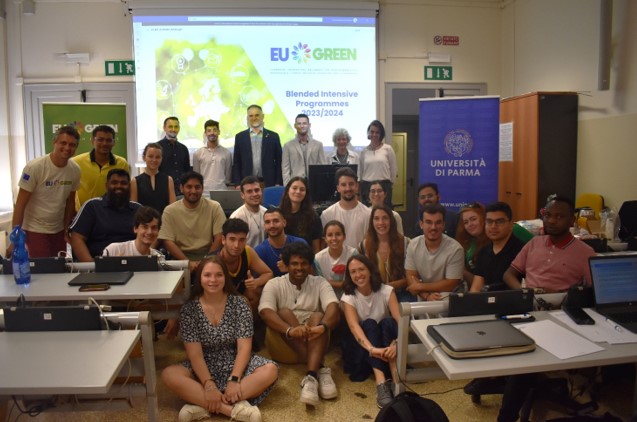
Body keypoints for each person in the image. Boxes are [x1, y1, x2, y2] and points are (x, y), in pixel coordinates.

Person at [161, 256, 278, 422]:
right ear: (200, 278)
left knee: (270, 370)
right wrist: (209, 385)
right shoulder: (189, 309)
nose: (213, 280)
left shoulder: (240, 303)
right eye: (207, 275)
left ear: (225, 277)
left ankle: (202, 404)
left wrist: (235, 380)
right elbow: (195, 355)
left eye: (218, 275)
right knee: (169, 374)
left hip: (235, 360)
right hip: (204, 364)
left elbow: (244, 348)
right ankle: (230, 410)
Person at [258, 242, 339, 406]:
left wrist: (322, 327)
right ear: (286, 265)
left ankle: (311, 376)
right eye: (294, 264)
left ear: (310, 265)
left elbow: (333, 307)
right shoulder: (274, 284)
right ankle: (320, 367)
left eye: (304, 263)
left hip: (314, 336)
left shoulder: (320, 282)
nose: (299, 268)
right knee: (284, 313)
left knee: (318, 316)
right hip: (284, 343)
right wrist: (291, 330)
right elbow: (265, 312)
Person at [8, 125, 80, 258]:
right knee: (44, 268)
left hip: (58, 230)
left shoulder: (75, 170)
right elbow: (20, 205)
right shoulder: (34, 167)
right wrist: (15, 237)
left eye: (72, 145)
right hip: (34, 229)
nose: (67, 148)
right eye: (63, 143)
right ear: (54, 142)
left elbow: (70, 203)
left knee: (58, 267)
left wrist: (66, 230)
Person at [341, 255, 400, 408]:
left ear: (370, 270)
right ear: (349, 275)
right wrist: (372, 349)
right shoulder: (348, 296)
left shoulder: (387, 290)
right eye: (353, 272)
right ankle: (381, 383)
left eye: (361, 269)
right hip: (362, 351)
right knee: (369, 324)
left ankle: (396, 380)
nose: (358, 275)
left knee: (387, 322)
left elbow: (400, 322)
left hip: (387, 350)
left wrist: (397, 344)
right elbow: (354, 327)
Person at [503, 196, 595, 293]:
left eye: (559, 217)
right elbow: (509, 275)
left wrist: (562, 296)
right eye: (547, 215)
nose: (551, 221)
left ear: (572, 220)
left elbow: (597, 290)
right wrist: (523, 293)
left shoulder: (585, 252)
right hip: (529, 299)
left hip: (561, 301)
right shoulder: (534, 243)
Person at [159, 171, 226, 272]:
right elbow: (167, 241)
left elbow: (220, 237)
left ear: (202, 189)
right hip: (179, 261)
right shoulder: (170, 210)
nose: (193, 191)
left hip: (209, 258)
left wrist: (206, 261)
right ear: (181, 188)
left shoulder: (214, 207)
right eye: (189, 187)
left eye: (197, 187)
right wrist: (187, 263)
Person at [69, 169, 141, 262]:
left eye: (123, 183)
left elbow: (150, 235)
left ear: (129, 186)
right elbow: (76, 238)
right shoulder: (92, 206)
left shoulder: (138, 209)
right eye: (114, 182)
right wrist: (92, 265)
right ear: (106, 185)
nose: (119, 186)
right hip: (98, 264)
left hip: (133, 263)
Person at [405, 203, 464, 300]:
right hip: (423, 295)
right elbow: (411, 277)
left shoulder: (456, 249)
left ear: (443, 225)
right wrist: (426, 296)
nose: (433, 227)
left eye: (438, 222)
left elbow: (451, 284)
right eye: (428, 222)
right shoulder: (413, 245)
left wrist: (420, 286)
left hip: (448, 296)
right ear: (421, 224)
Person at [217, 218, 273, 315]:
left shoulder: (247, 252)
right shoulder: (215, 260)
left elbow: (268, 273)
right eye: (232, 239)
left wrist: (256, 282)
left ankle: (253, 323)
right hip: (220, 298)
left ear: (246, 240)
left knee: (255, 292)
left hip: (241, 294)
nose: (236, 245)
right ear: (223, 240)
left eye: (241, 240)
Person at [359, 205, 413, 302]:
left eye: (385, 218)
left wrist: (387, 287)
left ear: (391, 221)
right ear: (372, 222)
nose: (381, 222)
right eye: (376, 219)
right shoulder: (363, 246)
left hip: (402, 294)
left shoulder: (406, 243)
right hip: (374, 294)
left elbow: (412, 277)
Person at [470, 202, 526, 292]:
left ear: (511, 224)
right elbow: (476, 288)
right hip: (487, 300)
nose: (493, 226)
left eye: (499, 222)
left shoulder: (523, 251)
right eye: (489, 221)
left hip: (515, 300)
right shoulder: (483, 252)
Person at [72, 124, 129, 211]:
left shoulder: (122, 163)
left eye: (108, 140)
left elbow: (125, 191)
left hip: (112, 213)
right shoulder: (77, 162)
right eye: (100, 140)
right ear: (92, 141)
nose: (104, 143)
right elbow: (70, 192)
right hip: (84, 213)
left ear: (114, 142)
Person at [232, 105, 282, 187]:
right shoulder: (240, 137)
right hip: (247, 183)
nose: (254, 118)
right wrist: (237, 183)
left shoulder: (273, 136)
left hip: (269, 183)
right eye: (251, 116)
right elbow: (237, 162)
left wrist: (278, 182)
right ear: (247, 118)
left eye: (257, 115)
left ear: (263, 116)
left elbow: (279, 161)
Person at [320, 167, 370, 249]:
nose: (348, 188)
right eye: (343, 185)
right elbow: (324, 246)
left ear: (357, 186)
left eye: (351, 184)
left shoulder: (368, 214)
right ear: (338, 188)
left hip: (360, 257)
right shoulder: (327, 215)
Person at [254, 208, 307, 277]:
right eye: (267, 222)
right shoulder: (259, 251)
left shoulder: (300, 244)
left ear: (284, 223)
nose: (272, 225)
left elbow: (312, 272)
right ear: (264, 226)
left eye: (276, 221)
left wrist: (290, 268)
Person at [358, 120, 397, 207]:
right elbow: (360, 172)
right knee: (368, 212)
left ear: (381, 134)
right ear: (368, 133)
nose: (374, 134)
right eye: (372, 132)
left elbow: (393, 169)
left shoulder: (388, 149)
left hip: (384, 186)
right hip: (367, 186)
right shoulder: (363, 152)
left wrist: (389, 185)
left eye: (377, 132)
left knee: (385, 211)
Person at [314, 220, 357, 297]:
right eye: (330, 235)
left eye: (338, 234)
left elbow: (355, 281)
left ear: (344, 237)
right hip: (327, 295)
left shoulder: (353, 253)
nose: (334, 238)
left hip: (351, 294)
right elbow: (320, 284)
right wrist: (344, 283)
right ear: (325, 238)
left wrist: (329, 282)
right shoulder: (318, 258)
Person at [279, 177, 323, 253]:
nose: (298, 192)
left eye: (302, 189)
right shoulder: (278, 214)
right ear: (288, 190)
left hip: (305, 258)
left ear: (306, 193)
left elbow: (316, 249)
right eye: (294, 188)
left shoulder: (313, 217)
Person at [281, 114, 327, 186]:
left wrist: (322, 184)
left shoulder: (318, 145)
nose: (302, 126)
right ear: (295, 126)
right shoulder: (288, 146)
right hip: (295, 185)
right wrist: (288, 187)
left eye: (304, 123)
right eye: (299, 124)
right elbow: (285, 169)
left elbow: (323, 167)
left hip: (314, 184)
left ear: (309, 125)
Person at [130, 142, 176, 214]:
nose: (154, 160)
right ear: (144, 157)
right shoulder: (135, 181)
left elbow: (172, 208)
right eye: (150, 156)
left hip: (164, 219)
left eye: (157, 157)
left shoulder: (168, 180)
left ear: (161, 159)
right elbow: (134, 209)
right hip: (143, 220)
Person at [193, 119, 232, 192]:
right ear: (205, 133)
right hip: (203, 192)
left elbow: (227, 178)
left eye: (215, 130)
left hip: (222, 191)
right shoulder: (197, 153)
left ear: (219, 132)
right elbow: (196, 177)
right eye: (209, 131)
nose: (212, 133)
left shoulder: (227, 153)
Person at [455, 202, 489, 286]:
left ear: (483, 218)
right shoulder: (467, 243)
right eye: (466, 222)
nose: (470, 224)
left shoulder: (493, 241)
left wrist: (462, 271)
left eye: (473, 219)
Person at [229, 176, 267, 248]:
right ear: (242, 195)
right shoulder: (237, 217)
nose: (254, 194)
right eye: (249, 191)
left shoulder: (266, 212)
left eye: (257, 190)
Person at [158, 116, 191, 196]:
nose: (173, 129)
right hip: (163, 191)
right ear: (164, 128)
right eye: (170, 126)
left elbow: (187, 171)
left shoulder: (183, 148)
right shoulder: (157, 147)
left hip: (181, 192)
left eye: (176, 127)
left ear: (179, 128)